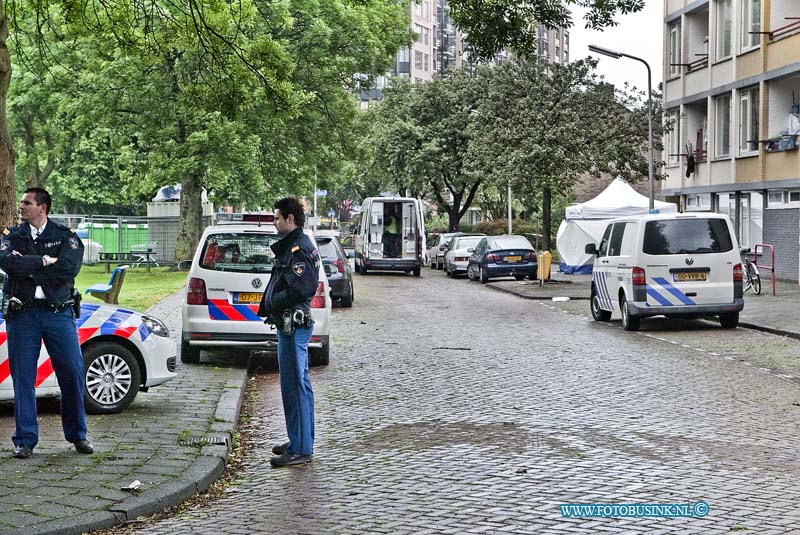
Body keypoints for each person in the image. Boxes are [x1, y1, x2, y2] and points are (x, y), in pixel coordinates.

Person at [0, 188, 93, 459]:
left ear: (42, 207)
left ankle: (78, 435)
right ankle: (25, 440)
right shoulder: (12, 236)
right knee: (23, 377)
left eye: (27, 203)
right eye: (21, 203)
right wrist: (42, 261)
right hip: (23, 314)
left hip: (58, 314)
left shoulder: (64, 236)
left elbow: (68, 269)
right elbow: (7, 264)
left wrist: (28, 270)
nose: (22, 207)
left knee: (72, 372)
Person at [257, 197, 320, 467]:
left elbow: (303, 288)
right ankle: (297, 440)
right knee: (291, 386)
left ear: (290, 219)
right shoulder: (292, 246)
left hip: (293, 324)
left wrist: (273, 301)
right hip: (286, 325)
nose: (274, 222)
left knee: (296, 385)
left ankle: (302, 448)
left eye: (277, 218)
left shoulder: (298, 249)